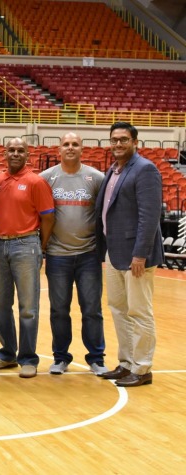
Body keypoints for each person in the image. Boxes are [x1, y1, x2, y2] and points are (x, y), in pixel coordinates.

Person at [96, 122, 163, 387]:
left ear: (135, 141)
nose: (118, 144)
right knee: (119, 310)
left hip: (135, 256)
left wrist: (140, 255)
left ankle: (143, 368)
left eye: (124, 140)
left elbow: (149, 216)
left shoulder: (145, 169)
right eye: (114, 140)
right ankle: (126, 363)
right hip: (114, 252)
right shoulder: (113, 170)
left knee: (139, 311)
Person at [40, 132, 108, 376]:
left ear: (82, 148)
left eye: (75, 144)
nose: (70, 148)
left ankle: (97, 358)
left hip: (88, 254)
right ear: (59, 149)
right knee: (59, 309)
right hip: (57, 255)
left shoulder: (97, 178)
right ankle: (60, 357)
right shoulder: (46, 178)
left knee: (92, 308)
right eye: (66, 144)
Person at [0, 137, 55, 379]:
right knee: (0, 306)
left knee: (28, 307)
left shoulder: (35, 182)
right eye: (11, 150)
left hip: (26, 245)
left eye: (20, 151)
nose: (16, 154)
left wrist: (40, 245)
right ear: (4, 154)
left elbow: (48, 218)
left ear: (28, 155)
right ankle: (7, 354)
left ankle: (28, 358)